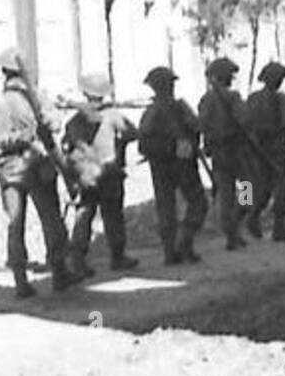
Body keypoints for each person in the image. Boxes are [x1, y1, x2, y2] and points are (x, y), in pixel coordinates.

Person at [0, 46, 74, 297]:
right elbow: (55, 123)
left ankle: (20, 281)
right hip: (38, 166)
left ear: (5, 74)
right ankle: (60, 273)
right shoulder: (37, 97)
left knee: (14, 224)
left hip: (10, 170)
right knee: (51, 219)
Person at [62, 72, 139, 279]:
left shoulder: (75, 120)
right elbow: (133, 132)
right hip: (109, 173)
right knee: (113, 216)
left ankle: (78, 259)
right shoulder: (112, 115)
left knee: (85, 215)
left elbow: (66, 144)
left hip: (87, 174)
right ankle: (117, 256)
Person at [138, 65, 207, 264]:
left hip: (164, 164)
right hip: (184, 161)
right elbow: (198, 129)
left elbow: (142, 144)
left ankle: (171, 251)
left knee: (166, 207)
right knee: (242, 186)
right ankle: (244, 220)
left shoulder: (151, 112)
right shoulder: (180, 107)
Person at [198, 56, 250, 251]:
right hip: (235, 151)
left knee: (225, 195)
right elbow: (244, 119)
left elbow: (201, 125)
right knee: (247, 187)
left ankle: (231, 233)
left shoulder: (206, 100)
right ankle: (234, 228)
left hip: (218, 153)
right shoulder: (233, 97)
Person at [246, 60, 285, 242]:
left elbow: (244, 121)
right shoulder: (281, 99)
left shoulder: (252, 98)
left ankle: (247, 217)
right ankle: (278, 226)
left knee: (255, 186)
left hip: (255, 149)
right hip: (275, 147)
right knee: (281, 187)